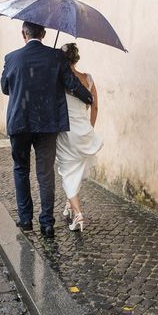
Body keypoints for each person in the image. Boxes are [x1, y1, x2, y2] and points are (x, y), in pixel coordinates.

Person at [1, 22, 93, 238]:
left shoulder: (11, 58)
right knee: (45, 173)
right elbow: (71, 83)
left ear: (23, 34)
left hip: (19, 123)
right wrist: (88, 97)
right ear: (43, 33)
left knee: (21, 169)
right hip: (47, 125)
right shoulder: (55, 57)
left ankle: (25, 221)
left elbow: (5, 88)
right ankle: (47, 224)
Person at [56, 43, 103, 232]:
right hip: (84, 131)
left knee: (67, 171)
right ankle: (69, 204)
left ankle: (78, 214)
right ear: (76, 59)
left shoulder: (59, 81)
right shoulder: (88, 79)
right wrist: (90, 128)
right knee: (75, 171)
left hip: (66, 133)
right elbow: (95, 107)